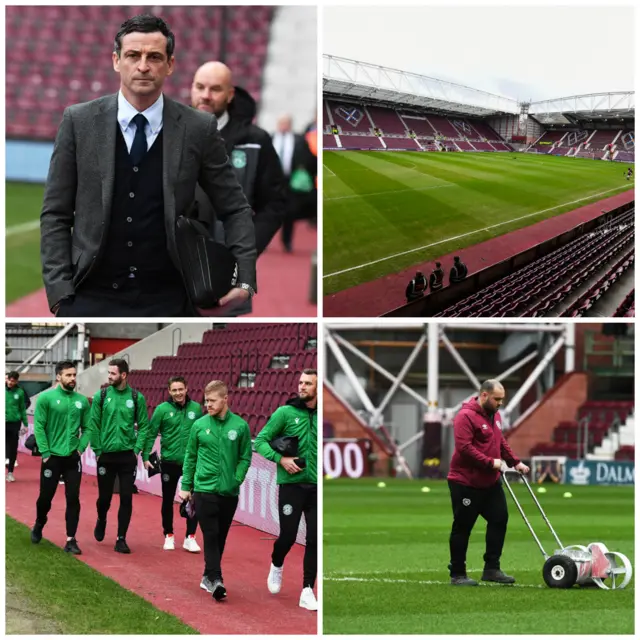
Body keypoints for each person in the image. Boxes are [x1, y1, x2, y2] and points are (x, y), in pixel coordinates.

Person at [41, 14, 257, 318]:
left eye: (154, 57)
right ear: (116, 61)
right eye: (133, 55)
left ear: (170, 64)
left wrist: (245, 278)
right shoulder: (78, 121)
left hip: (171, 296)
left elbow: (235, 207)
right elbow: (55, 213)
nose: (143, 66)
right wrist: (58, 291)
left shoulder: (198, 128)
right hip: (89, 292)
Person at [190, 61, 287, 315]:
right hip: (174, 272)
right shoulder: (168, 133)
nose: (205, 96)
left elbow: (275, 204)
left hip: (227, 272)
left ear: (230, 94)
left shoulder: (256, 141)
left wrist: (245, 252)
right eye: (200, 87)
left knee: (222, 335)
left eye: (215, 89)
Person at [447, 380, 530, 586]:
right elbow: (464, 448)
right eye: (497, 399)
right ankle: (457, 573)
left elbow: (499, 441)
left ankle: (492, 568)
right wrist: (489, 462)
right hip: (465, 482)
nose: (500, 403)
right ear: (484, 395)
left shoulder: (496, 415)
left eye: (502, 399)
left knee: (499, 519)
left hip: (490, 482)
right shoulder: (464, 417)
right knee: (463, 526)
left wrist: (515, 462)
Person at [180, 380, 252, 601]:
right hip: (204, 489)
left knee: (220, 537)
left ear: (225, 399)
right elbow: (190, 456)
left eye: (212, 400)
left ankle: (207, 576)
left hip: (229, 492)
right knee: (210, 535)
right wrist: (185, 486)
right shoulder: (200, 425)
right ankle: (217, 580)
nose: (207, 404)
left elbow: (245, 457)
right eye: (206, 400)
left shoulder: (240, 426)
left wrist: (236, 479)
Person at [254, 369, 318, 611]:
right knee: (288, 536)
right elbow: (260, 442)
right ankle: (277, 562)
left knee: (314, 539)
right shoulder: (285, 412)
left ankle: (307, 590)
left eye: (308, 383)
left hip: (317, 488)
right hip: (291, 487)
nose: (302, 387)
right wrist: (281, 460)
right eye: (300, 382)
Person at [30, 361, 91, 554]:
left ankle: (71, 539)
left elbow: (88, 428)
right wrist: (46, 453)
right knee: (45, 498)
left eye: (74, 375)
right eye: (68, 375)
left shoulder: (82, 401)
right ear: (59, 377)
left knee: (73, 498)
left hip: (72, 458)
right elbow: (39, 426)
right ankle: (40, 523)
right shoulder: (46, 398)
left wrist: (80, 449)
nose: (73, 378)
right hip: (52, 458)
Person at [90, 358, 149, 553]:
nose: (109, 376)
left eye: (112, 374)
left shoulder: (136, 397)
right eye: (108, 373)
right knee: (104, 498)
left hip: (127, 457)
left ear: (123, 375)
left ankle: (121, 538)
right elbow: (94, 425)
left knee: (126, 498)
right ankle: (102, 518)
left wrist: (136, 450)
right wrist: (98, 451)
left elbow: (144, 426)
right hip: (106, 455)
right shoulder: (102, 395)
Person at [143, 376, 203, 552]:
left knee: (193, 500)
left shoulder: (196, 409)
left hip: (191, 463)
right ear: (169, 391)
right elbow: (151, 432)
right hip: (169, 462)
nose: (178, 393)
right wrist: (146, 455)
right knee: (167, 500)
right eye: (174, 390)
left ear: (186, 389)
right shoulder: (162, 410)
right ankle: (168, 535)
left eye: (180, 389)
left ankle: (190, 537)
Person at [273, 115, 317, 253]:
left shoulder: (298, 139)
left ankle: (287, 241)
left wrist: (303, 166)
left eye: (286, 123)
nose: (283, 126)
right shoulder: (269, 138)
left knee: (289, 212)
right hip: (271, 181)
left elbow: (309, 158)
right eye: (281, 123)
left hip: (291, 180)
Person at [5, 371, 29, 482]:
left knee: (13, 447)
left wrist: (26, 424)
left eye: (13, 381)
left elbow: (22, 409)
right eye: (9, 380)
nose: (10, 382)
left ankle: (10, 473)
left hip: (15, 423)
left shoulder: (20, 392)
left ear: (16, 381)